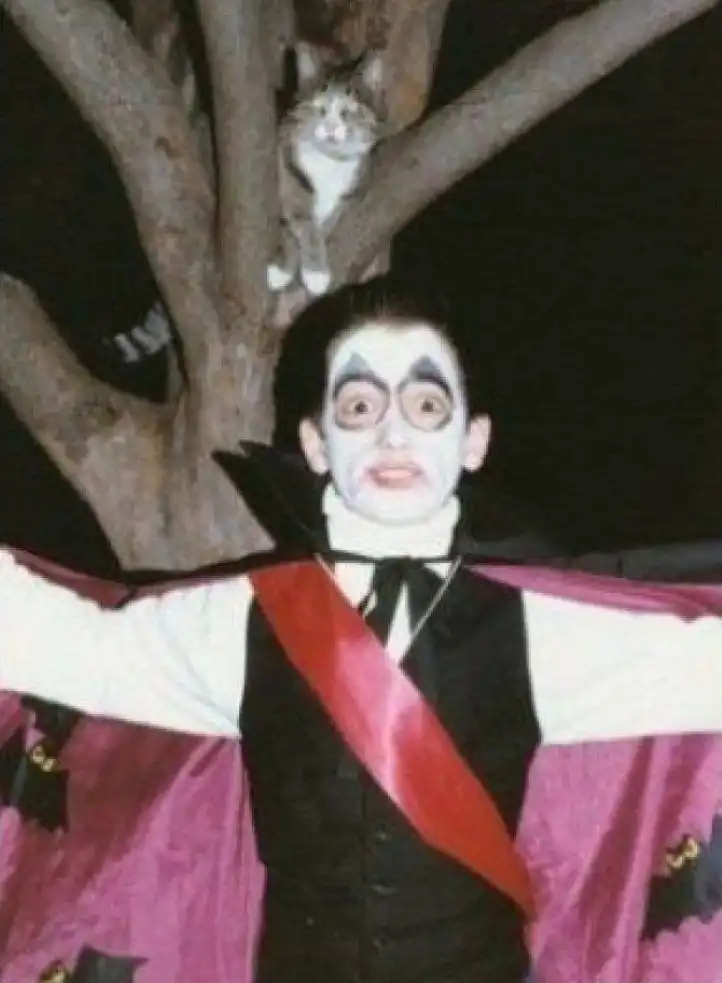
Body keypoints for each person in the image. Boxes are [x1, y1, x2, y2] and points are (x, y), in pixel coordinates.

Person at [0, 278, 720, 983]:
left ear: (473, 441)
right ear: (316, 444)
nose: (393, 433)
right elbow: (68, 647)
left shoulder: (542, 628)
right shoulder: (238, 619)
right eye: (359, 406)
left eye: (426, 404)